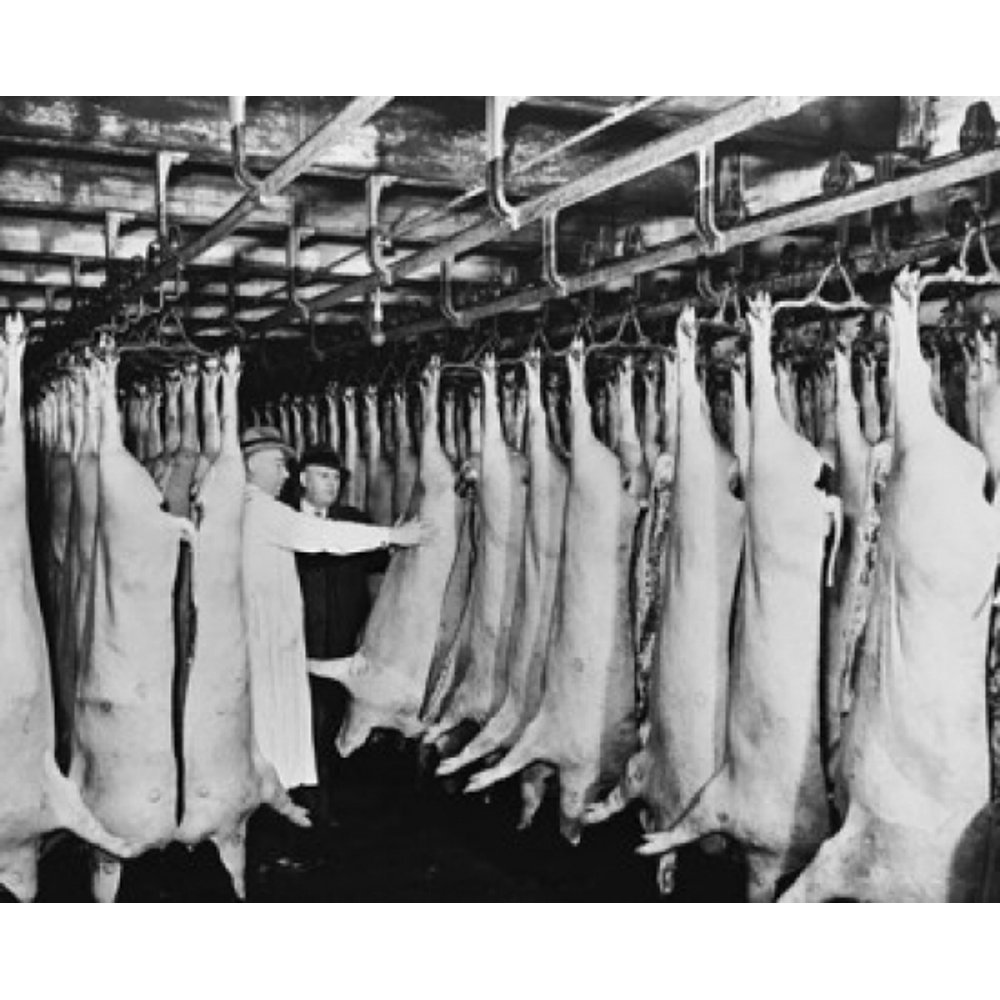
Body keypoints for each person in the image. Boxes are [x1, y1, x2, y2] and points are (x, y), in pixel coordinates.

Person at [240, 426, 430, 868]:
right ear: (250, 465)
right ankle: (273, 834)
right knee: (275, 739)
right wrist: (392, 535)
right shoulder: (262, 509)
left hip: (303, 647)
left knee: (295, 738)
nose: (283, 473)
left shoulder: (257, 509)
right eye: (278, 464)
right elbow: (316, 536)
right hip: (275, 646)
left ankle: (293, 827)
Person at [291, 445, 387, 829]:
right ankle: (308, 803)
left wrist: (371, 631)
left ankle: (326, 800)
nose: (332, 484)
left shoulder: (354, 521)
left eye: (336, 478)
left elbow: (377, 576)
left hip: (344, 644)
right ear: (303, 479)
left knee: (332, 720)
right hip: (297, 643)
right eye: (323, 476)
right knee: (302, 723)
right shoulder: (284, 520)